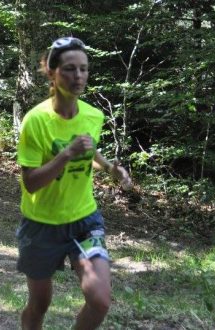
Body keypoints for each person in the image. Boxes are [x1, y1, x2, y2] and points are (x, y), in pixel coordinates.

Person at [15, 37, 132, 330]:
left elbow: (88, 148)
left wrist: (109, 168)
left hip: (83, 219)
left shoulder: (93, 115)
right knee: (39, 304)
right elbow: (30, 183)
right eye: (69, 69)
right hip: (41, 224)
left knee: (100, 300)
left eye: (83, 69)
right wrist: (66, 155)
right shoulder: (36, 121)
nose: (78, 76)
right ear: (52, 72)